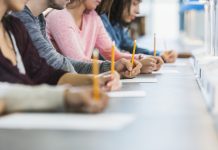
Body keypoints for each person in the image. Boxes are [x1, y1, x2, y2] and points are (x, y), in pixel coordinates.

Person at [0, 0, 112, 114]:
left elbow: (45, 74)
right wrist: (64, 97)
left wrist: (95, 81)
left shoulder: (14, 27)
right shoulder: (23, 19)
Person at [13, 0, 142, 78]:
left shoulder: (38, 19)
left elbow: (62, 63)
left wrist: (113, 66)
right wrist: (106, 73)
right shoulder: (23, 18)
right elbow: (58, 64)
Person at [45, 0, 164, 74]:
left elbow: (112, 53)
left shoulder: (93, 17)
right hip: (66, 84)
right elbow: (78, 62)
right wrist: (135, 64)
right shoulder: (59, 16)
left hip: (85, 83)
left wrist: (144, 58)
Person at [96, 0, 178, 63]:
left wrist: (160, 55)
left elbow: (133, 48)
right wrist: (139, 60)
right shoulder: (99, 18)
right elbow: (108, 57)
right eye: (134, 4)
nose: (138, 11)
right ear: (119, 2)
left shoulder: (117, 25)